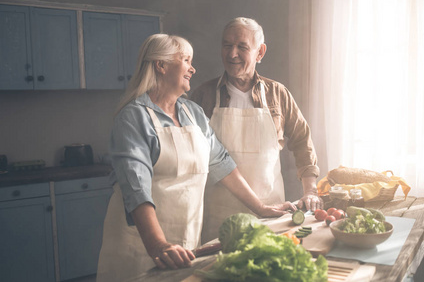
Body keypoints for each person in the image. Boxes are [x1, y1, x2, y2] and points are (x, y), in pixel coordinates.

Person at [96, 34, 296, 282]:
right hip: (141, 244)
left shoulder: (193, 113)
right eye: (186, 60)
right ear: (161, 65)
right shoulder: (133, 118)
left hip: (185, 242)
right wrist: (158, 244)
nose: (193, 68)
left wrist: (260, 208)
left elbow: (221, 163)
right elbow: (136, 188)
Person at [190, 17, 323, 243]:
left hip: (272, 208)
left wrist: (310, 190)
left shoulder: (278, 94)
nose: (232, 54)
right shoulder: (204, 95)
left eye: (242, 47)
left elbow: (302, 141)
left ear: (260, 52)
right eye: (226, 45)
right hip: (220, 215)